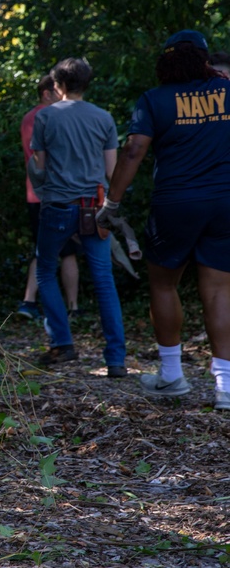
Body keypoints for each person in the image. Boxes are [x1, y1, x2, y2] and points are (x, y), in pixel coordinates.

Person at [97, 29, 230, 410]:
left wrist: (113, 203)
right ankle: (225, 387)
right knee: (220, 289)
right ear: (204, 60)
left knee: (163, 284)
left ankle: (172, 376)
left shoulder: (154, 99)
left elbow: (135, 149)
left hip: (175, 203)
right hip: (225, 201)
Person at [28, 58, 127, 377]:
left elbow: (39, 169)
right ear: (86, 83)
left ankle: (62, 343)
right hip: (95, 208)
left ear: (58, 85)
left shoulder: (45, 118)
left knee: (45, 269)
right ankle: (115, 359)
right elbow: (113, 172)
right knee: (103, 280)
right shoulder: (104, 118)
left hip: (57, 205)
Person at [17, 74, 80, 321]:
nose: (62, 96)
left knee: (46, 250)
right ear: (47, 93)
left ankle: (30, 301)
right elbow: (46, 157)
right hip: (53, 194)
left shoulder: (29, 118)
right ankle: (70, 307)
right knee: (67, 252)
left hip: (37, 194)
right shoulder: (44, 117)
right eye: (58, 91)